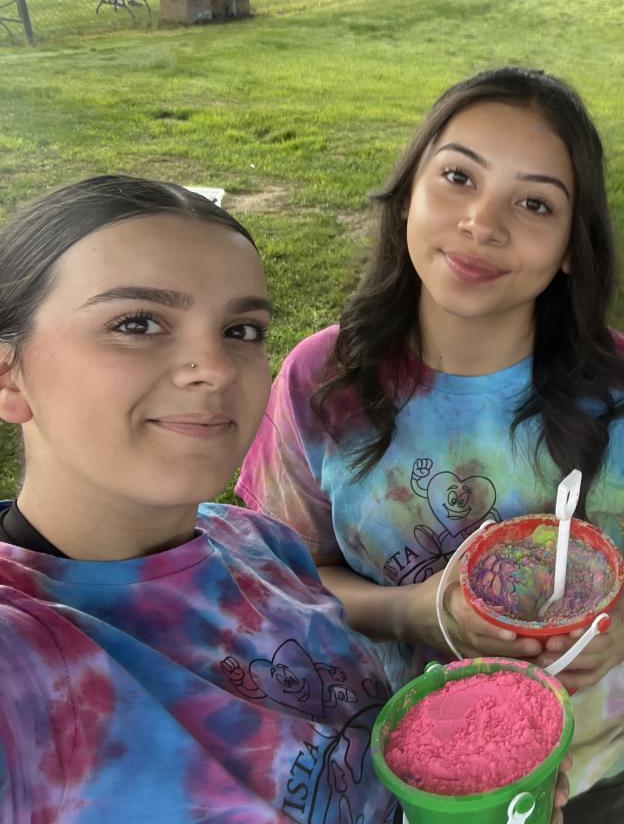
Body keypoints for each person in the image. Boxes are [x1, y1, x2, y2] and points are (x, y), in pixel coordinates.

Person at [236, 67, 624, 822]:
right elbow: (282, 578)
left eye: (535, 203)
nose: (483, 223)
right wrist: (419, 612)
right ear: (409, 192)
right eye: (459, 177)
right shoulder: (323, 383)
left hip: (589, 764)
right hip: (390, 770)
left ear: (571, 245)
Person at [0, 176, 401, 823]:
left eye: (241, 329)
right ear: (8, 376)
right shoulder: (21, 662)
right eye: (137, 323)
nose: (214, 367)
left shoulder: (262, 543)